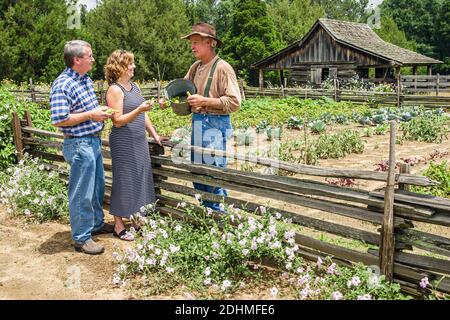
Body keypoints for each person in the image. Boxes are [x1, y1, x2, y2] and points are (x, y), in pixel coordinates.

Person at [50, 40, 114, 255]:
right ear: (77, 60)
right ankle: (81, 238)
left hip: (91, 140)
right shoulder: (63, 84)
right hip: (79, 143)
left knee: (96, 188)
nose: (93, 59)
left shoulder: (84, 80)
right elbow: (59, 119)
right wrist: (90, 115)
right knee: (81, 193)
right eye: (90, 56)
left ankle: (95, 224)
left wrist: (99, 111)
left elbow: (86, 110)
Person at [181, 22, 241, 211]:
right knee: (197, 168)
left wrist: (205, 101)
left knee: (213, 171)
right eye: (191, 42)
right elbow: (183, 89)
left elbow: (234, 102)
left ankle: (218, 214)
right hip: (198, 121)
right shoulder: (195, 67)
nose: (192, 46)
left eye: (196, 42)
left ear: (210, 43)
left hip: (215, 123)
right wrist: (168, 99)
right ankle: (207, 210)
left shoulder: (223, 68)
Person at [104, 50, 162, 241]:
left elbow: (143, 115)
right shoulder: (114, 90)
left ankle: (136, 221)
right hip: (123, 141)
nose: (134, 66)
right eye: (130, 63)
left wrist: (154, 135)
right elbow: (118, 121)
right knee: (124, 180)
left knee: (140, 178)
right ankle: (118, 224)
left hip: (138, 140)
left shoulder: (134, 86)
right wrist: (139, 109)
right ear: (120, 66)